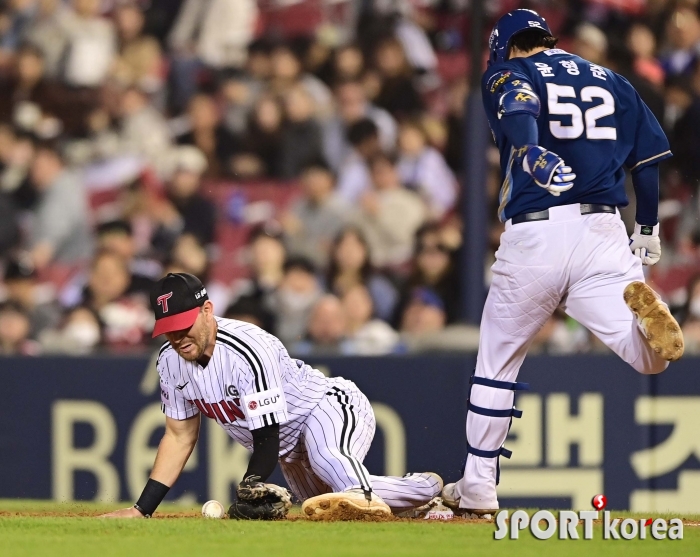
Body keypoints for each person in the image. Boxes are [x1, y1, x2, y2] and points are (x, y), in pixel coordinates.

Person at [441, 9, 685, 517]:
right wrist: (649, 227)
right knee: (649, 357)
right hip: (605, 232)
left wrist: (530, 151)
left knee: (497, 362)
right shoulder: (611, 78)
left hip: (538, 229)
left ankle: (480, 486)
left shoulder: (513, 70)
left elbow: (517, 104)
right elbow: (648, 159)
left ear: (508, 46)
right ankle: (651, 312)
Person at [101, 272, 441, 519]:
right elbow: (178, 437)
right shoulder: (169, 362)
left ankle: (427, 487)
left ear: (207, 311)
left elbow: (266, 434)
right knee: (327, 507)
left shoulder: (248, 349)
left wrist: (251, 481)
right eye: (168, 329)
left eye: (184, 325)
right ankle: (426, 498)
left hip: (325, 407)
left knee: (330, 462)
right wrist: (141, 509)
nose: (177, 336)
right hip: (290, 452)